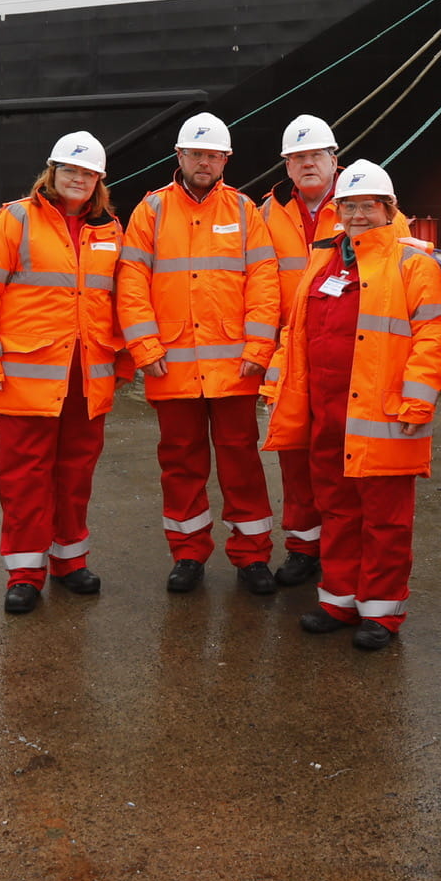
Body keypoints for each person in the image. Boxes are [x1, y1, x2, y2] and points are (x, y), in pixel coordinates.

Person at [261, 160, 441, 651]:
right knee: (337, 509)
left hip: (383, 415)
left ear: (389, 209)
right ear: (338, 211)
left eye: (369, 205)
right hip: (327, 414)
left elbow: (433, 336)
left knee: (385, 518)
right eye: (350, 205)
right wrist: (276, 388)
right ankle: (338, 599)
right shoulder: (323, 262)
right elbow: (296, 332)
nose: (359, 214)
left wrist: (418, 401)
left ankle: (381, 612)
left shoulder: (413, 264)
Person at [0, 131, 129, 614]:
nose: (78, 180)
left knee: (76, 475)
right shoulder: (14, 220)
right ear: (52, 173)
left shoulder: (110, 232)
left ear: (99, 181)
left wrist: (124, 359)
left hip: (86, 380)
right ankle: (25, 573)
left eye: (87, 173)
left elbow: (123, 302)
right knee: (25, 478)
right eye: (70, 171)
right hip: (26, 378)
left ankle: (70, 562)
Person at [117, 112, 282, 596]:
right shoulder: (151, 211)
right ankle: (187, 553)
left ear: (226, 160)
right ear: (180, 157)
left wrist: (258, 346)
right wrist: (145, 346)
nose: (204, 162)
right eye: (196, 154)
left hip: (234, 367)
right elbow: (131, 283)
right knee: (180, 463)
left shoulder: (244, 211)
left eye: (213, 155)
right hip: (171, 365)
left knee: (241, 462)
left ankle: (252, 556)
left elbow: (265, 283)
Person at [258, 114, 346, 588]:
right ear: (287, 167)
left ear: (334, 160)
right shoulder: (265, 214)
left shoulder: (363, 203)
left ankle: (339, 546)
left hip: (343, 351)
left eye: (316, 155)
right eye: (298, 158)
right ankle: (302, 546)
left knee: (338, 457)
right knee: (294, 454)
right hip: (288, 356)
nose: (308, 164)